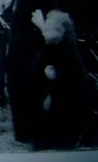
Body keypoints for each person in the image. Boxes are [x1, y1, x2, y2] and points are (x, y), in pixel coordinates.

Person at [6, 0, 57, 143]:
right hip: (20, 64)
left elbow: (57, 43)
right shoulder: (21, 6)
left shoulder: (49, 8)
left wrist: (43, 26)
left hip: (40, 64)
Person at [32, 10, 92, 149]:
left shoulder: (65, 52)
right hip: (55, 89)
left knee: (56, 116)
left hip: (65, 94)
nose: (46, 33)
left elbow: (66, 80)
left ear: (61, 32)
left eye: (50, 30)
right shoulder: (52, 46)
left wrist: (50, 93)